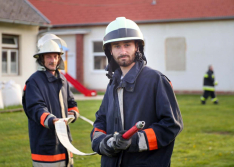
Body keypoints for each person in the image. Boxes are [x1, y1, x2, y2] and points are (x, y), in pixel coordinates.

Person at [90, 17, 183, 167]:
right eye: (117, 46)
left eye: (127, 45)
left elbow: (171, 125)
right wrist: (104, 142)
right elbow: (101, 120)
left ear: (137, 47)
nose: (123, 51)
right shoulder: (113, 84)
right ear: (110, 51)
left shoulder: (156, 80)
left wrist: (134, 141)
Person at [22, 34, 79, 167]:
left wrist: (73, 114)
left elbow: (71, 102)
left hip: (65, 144)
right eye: (49, 56)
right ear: (41, 59)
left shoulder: (63, 80)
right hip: (45, 146)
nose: (53, 60)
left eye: (55, 56)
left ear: (59, 58)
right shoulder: (34, 81)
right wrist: (51, 120)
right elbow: (35, 107)